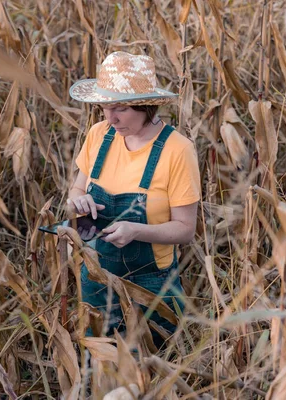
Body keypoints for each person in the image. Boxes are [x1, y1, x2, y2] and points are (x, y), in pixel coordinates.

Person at [67, 51, 201, 346]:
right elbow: (75, 190)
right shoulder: (99, 135)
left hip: (152, 281)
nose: (110, 118)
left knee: (153, 365)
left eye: (121, 109)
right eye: (105, 107)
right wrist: (78, 202)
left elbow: (185, 229)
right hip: (97, 274)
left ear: (148, 107)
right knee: (99, 359)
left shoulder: (177, 150)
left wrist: (136, 231)